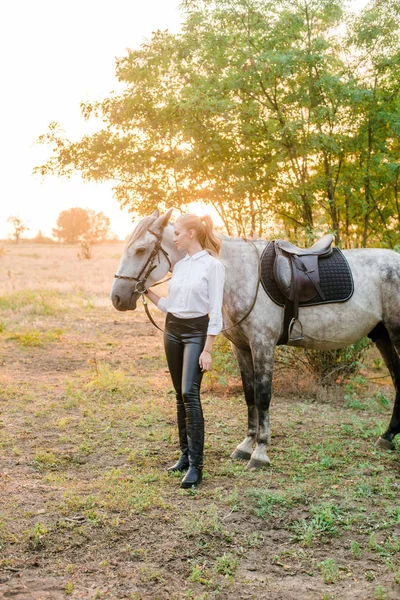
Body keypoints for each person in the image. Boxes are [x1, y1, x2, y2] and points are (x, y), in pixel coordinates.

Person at [144, 213, 225, 488]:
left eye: (177, 232)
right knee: (179, 394)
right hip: (173, 330)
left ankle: (197, 466)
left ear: (191, 233)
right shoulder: (178, 267)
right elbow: (171, 305)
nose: (174, 237)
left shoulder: (213, 267)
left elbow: (215, 310)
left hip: (196, 332)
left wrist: (208, 349)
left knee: (191, 394)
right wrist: (147, 292)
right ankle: (184, 455)